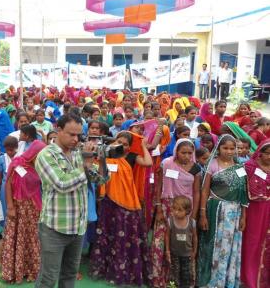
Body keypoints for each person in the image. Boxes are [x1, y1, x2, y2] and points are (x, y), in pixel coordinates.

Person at [34, 114, 105, 288]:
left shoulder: (78, 153)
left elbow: (99, 180)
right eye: (71, 134)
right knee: (48, 278)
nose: (76, 139)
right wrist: (86, 165)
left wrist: (102, 158)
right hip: (55, 227)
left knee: (70, 275)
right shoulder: (46, 155)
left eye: (79, 135)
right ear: (58, 130)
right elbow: (62, 183)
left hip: (78, 226)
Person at [90, 131, 152, 286]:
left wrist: (143, 146)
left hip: (126, 204)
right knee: (108, 234)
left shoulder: (131, 157)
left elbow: (148, 162)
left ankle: (124, 270)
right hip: (108, 201)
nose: (121, 146)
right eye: (119, 141)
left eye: (125, 144)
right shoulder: (106, 155)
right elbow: (95, 170)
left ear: (129, 147)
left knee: (123, 236)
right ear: (114, 141)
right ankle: (106, 268)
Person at [197, 134, 248, 287]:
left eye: (232, 148)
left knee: (229, 247)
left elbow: (243, 193)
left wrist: (243, 217)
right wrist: (202, 214)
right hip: (216, 210)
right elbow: (204, 191)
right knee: (213, 246)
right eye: (225, 148)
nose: (229, 151)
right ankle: (211, 281)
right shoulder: (212, 165)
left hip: (234, 213)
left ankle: (227, 280)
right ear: (218, 148)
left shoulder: (240, 167)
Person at [151, 139, 201, 287]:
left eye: (189, 153)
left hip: (185, 209)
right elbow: (159, 186)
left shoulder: (195, 169)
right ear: (176, 151)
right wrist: (159, 208)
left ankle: (180, 279)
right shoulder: (167, 163)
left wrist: (194, 214)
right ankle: (159, 279)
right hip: (167, 207)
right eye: (183, 152)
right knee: (160, 242)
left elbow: (197, 192)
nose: (186, 156)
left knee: (181, 243)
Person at [1, 140, 46, 284]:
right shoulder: (17, 163)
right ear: (34, 152)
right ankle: (14, 272)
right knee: (17, 238)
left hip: (33, 209)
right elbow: (8, 184)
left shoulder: (40, 167)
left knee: (32, 238)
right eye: (40, 154)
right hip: (18, 208)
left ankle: (31, 270)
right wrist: (10, 206)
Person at [241, 139, 269, 288]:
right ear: (260, 153)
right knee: (252, 242)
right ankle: (249, 278)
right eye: (268, 153)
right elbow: (241, 191)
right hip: (254, 212)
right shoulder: (249, 167)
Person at [165, 196, 197, 288]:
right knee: (174, 275)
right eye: (174, 208)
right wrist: (167, 251)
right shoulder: (170, 221)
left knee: (186, 275)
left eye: (179, 210)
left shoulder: (192, 222)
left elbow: (195, 237)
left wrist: (194, 251)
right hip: (174, 254)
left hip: (187, 255)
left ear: (187, 211)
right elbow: (167, 236)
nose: (176, 212)